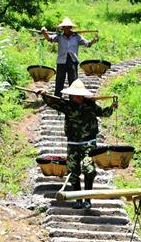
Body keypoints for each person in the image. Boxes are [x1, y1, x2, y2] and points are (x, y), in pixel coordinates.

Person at [37, 79, 118, 209]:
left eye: (80, 95)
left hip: (89, 143)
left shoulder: (91, 105)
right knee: (72, 171)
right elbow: (53, 102)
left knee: (88, 169)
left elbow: (104, 113)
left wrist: (113, 107)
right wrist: (44, 94)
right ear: (71, 95)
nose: (78, 97)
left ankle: (87, 200)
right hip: (73, 143)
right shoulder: (66, 105)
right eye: (75, 95)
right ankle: (78, 200)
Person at [40, 17, 98, 97]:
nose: (66, 28)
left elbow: (87, 44)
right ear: (62, 28)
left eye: (67, 27)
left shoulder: (77, 37)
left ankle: (73, 99)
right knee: (59, 81)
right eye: (64, 27)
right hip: (61, 62)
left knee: (73, 82)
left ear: (70, 27)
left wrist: (93, 41)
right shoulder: (59, 36)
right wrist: (44, 33)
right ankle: (57, 98)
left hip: (72, 61)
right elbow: (49, 39)